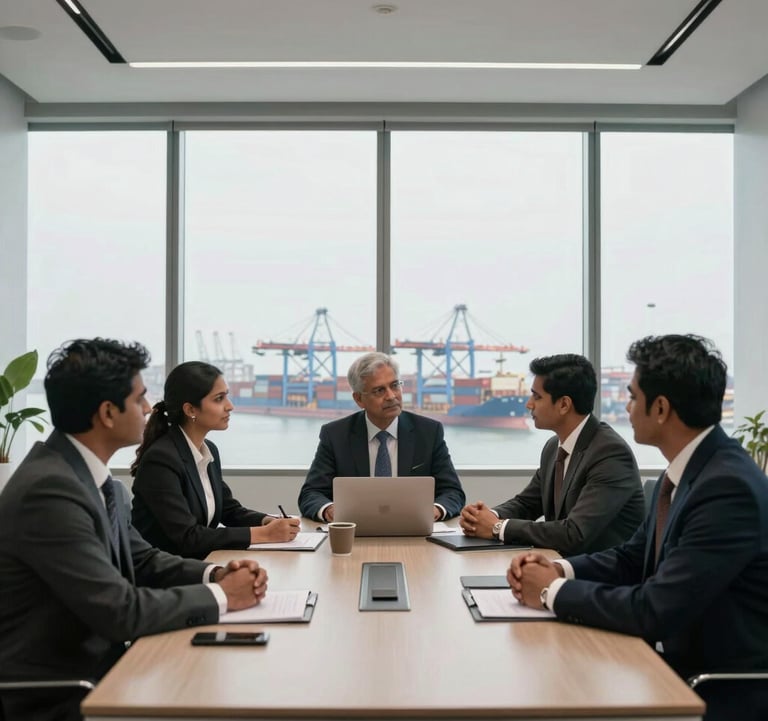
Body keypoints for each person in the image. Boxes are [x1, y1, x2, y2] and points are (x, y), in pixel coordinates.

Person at [0, 339, 268, 721]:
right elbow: (119, 611)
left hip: (109, 667)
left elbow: (141, 558)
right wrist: (223, 596)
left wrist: (215, 572)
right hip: (63, 692)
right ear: (108, 412)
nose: (148, 408)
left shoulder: (86, 475)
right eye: (140, 398)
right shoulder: (50, 491)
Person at [508, 335, 768, 721]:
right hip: (664, 661)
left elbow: (655, 609)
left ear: (660, 408)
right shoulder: (688, 471)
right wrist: (560, 569)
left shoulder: (726, 488)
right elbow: (632, 558)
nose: (625, 407)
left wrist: (550, 590)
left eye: (631, 397)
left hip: (712, 688)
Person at [460, 354, 643, 555]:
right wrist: (484, 517)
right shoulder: (554, 446)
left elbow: (574, 533)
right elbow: (527, 503)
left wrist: (497, 528)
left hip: (600, 578)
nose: (529, 404)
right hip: (561, 565)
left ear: (564, 404)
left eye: (537, 396)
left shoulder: (610, 454)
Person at [131, 361, 300, 559]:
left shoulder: (208, 450)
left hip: (198, 563)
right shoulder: (161, 460)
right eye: (219, 399)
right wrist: (263, 535)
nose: (230, 406)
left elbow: (229, 510)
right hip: (165, 575)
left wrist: (267, 521)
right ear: (191, 410)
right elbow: (187, 537)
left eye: (226, 396)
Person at [298, 352, 466, 521]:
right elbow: (311, 493)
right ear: (359, 399)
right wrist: (329, 509)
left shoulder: (429, 432)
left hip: (415, 532)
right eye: (379, 390)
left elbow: (452, 492)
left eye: (394, 385)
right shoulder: (335, 435)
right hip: (355, 533)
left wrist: (435, 510)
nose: (391, 396)